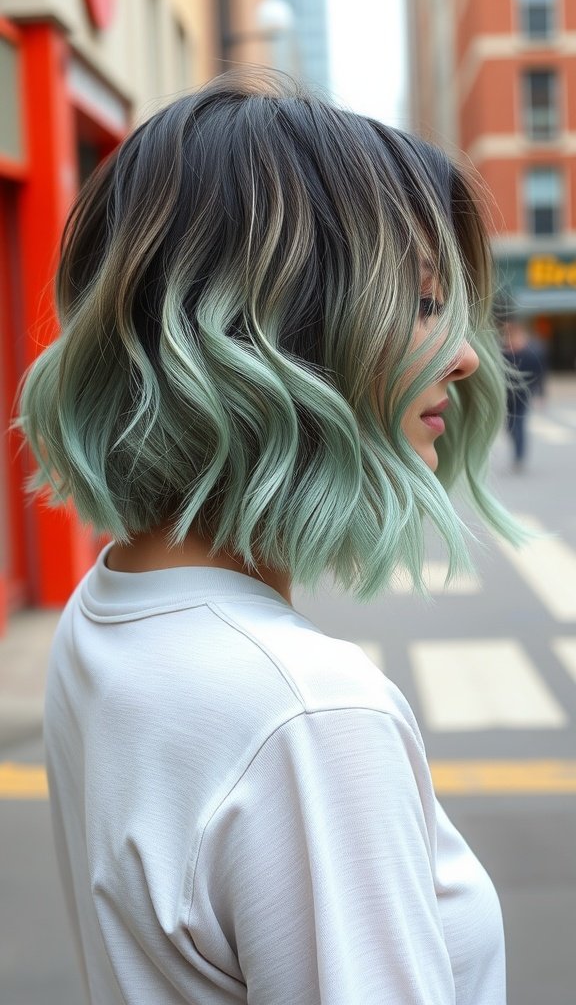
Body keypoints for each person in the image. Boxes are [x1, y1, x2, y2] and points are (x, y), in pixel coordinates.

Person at [17, 68, 526, 1005]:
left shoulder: (114, 605)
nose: (463, 351)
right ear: (274, 336)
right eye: (419, 303)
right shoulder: (308, 716)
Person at [502, 321, 545, 470]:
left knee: (519, 425)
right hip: (507, 396)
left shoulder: (531, 354)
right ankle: (517, 452)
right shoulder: (504, 353)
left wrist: (541, 394)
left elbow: (540, 375)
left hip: (524, 395)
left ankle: (519, 457)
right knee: (509, 427)